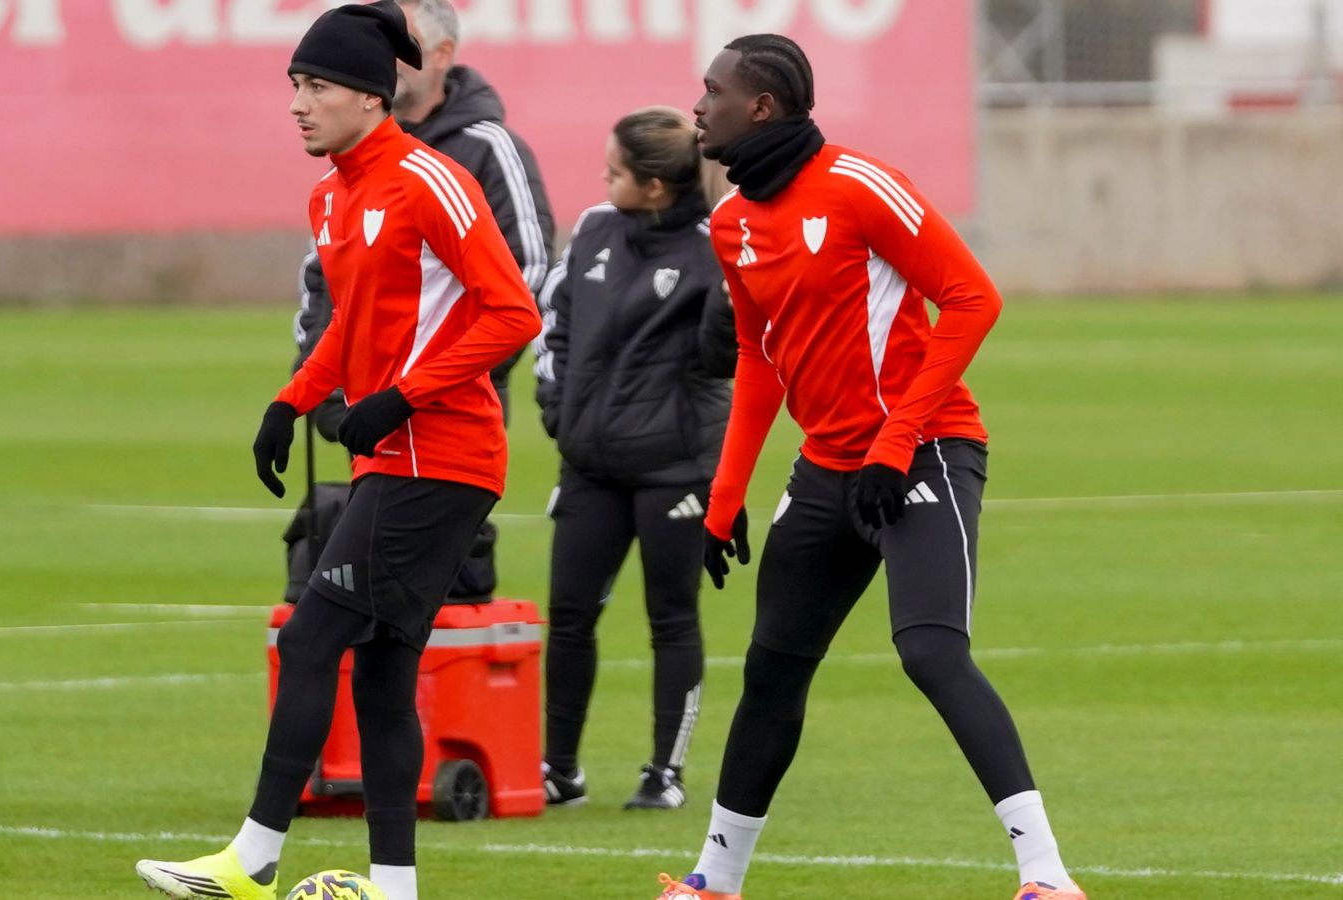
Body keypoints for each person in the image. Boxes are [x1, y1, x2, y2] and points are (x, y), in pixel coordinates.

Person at [653, 34, 1085, 900]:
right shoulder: (732, 222)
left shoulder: (858, 186)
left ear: (761, 107)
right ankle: (713, 883)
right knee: (773, 670)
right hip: (827, 471)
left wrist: (894, 445)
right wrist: (724, 496)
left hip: (923, 451)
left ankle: (1047, 877)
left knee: (930, 653)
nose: (697, 107)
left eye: (712, 91)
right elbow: (758, 357)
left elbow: (974, 300)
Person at [134, 5, 541, 900]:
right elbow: (351, 327)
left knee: (313, 638)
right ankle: (393, 887)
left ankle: (252, 859)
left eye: (315, 88)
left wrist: (403, 395)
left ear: (369, 95)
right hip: (393, 461)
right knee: (386, 676)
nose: (298, 105)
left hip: (442, 456)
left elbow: (514, 311)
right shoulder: (333, 194)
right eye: (293, 87)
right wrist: (292, 401)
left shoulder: (430, 179)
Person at [533, 106, 736, 812]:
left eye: (614, 170)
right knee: (569, 614)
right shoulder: (593, 229)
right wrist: (559, 412)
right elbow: (553, 325)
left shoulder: (717, 247)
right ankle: (558, 769)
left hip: (673, 468)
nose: (602, 178)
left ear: (655, 187)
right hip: (589, 462)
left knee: (671, 616)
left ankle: (665, 773)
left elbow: (726, 356)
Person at [293, 0, 554, 433]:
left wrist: (432, 382)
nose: (384, 56)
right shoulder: (353, 152)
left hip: (446, 409)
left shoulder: (488, 148)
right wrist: (313, 377)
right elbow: (326, 278)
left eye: (403, 44)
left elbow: (527, 270)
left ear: (442, 53)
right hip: (364, 404)